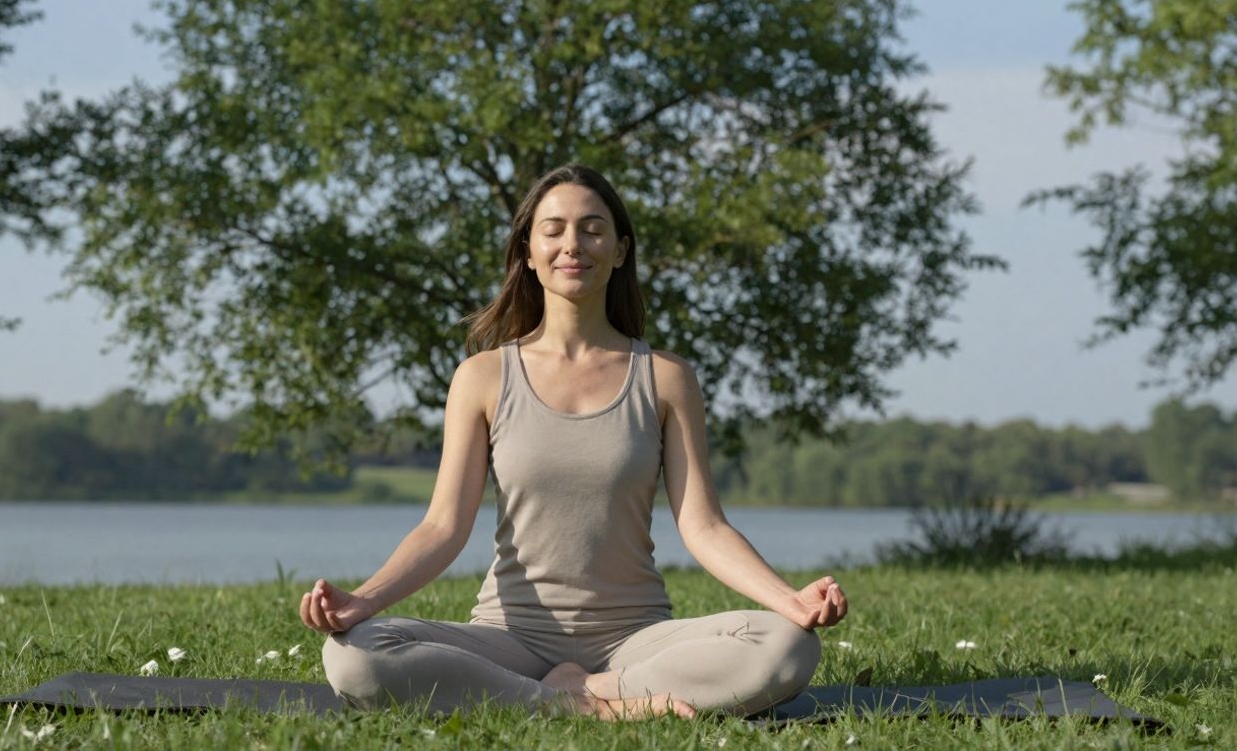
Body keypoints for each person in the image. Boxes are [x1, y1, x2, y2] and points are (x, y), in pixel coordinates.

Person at [297, 163, 848, 720]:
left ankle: (594, 689)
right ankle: (593, 705)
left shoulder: (666, 377)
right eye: (553, 229)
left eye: (592, 228)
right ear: (528, 253)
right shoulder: (482, 377)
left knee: (788, 645)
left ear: (620, 250)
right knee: (355, 657)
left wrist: (788, 600)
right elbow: (443, 526)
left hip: (635, 640)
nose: (573, 244)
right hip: (510, 641)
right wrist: (362, 601)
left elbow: (703, 525)